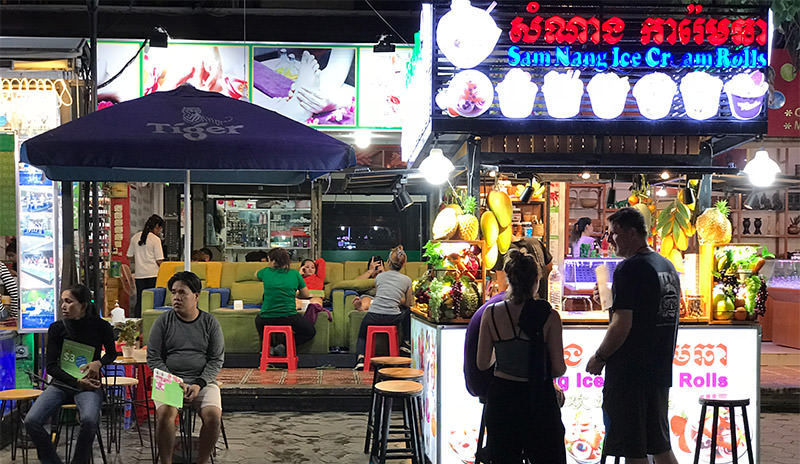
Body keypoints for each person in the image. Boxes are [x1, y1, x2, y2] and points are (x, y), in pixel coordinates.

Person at [585, 207, 680, 464]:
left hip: (631, 374)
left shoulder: (628, 269)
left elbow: (622, 324)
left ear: (631, 233)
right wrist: (610, 300)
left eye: (613, 233)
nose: (609, 239)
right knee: (659, 445)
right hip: (658, 370)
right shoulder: (666, 266)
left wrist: (600, 357)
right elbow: (646, 311)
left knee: (633, 450)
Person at [476, 250, 567, 464]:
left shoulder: (491, 313)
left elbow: (482, 363)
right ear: (537, 281)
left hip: (503, 399)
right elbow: (558, 368)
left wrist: (505, 355)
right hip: (539, 399)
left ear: (509, 279)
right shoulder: (550, 316)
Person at [25, 284, 117, 464]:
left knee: (90, 420)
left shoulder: (101, 326)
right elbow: (51, 367)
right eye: (62, 302)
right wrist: (76, 381)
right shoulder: (56, 328)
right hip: (61, 383)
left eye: (68, 301)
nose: (63, 306)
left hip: (89, 384)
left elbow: (112, 354)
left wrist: (98, 363)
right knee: (31, 420)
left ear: (83, 305)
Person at [147, 271, 224, 464]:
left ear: (196, 296)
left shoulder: (210, 323)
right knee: (165, 414)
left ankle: (201, 461)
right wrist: (174, 382)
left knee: (213, 417)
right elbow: (153, 357)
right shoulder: (163, 321)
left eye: (182, 292)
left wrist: (198, 383)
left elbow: (216, 360)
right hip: (169, 380)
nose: (176, 297)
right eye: (173, 292)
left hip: (203, 382)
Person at [354, 246, 413, 370]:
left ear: (388, 262)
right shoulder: (407, 280)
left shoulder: (379, 277)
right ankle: (406, 343)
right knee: (408, 311)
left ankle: (361, 358)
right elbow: (408, 303)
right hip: (393, 318)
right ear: (404, 264)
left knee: (362, 334)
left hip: (373, 315)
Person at [255, 247, 316, 353]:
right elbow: (305, 294)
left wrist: (270, 267)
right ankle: (284, 345)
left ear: (272, 260)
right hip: (289, 316)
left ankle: (268, 346)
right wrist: (295, 293)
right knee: (310, 332)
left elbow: (256, 274)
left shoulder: (265, 272)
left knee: (258, 320)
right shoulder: (295, 274)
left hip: (266, 317)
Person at [127, 214, 165, 318]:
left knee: (140, 299)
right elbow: (159, 260)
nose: (159, 231)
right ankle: (150, 319)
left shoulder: (135, 237)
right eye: (160, 228)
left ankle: (138, 319)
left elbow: (129, 256)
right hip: (153, 274)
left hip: (139, 275)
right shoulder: (155, 240)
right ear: (156, 226)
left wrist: (139, 260)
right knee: (152, 300)